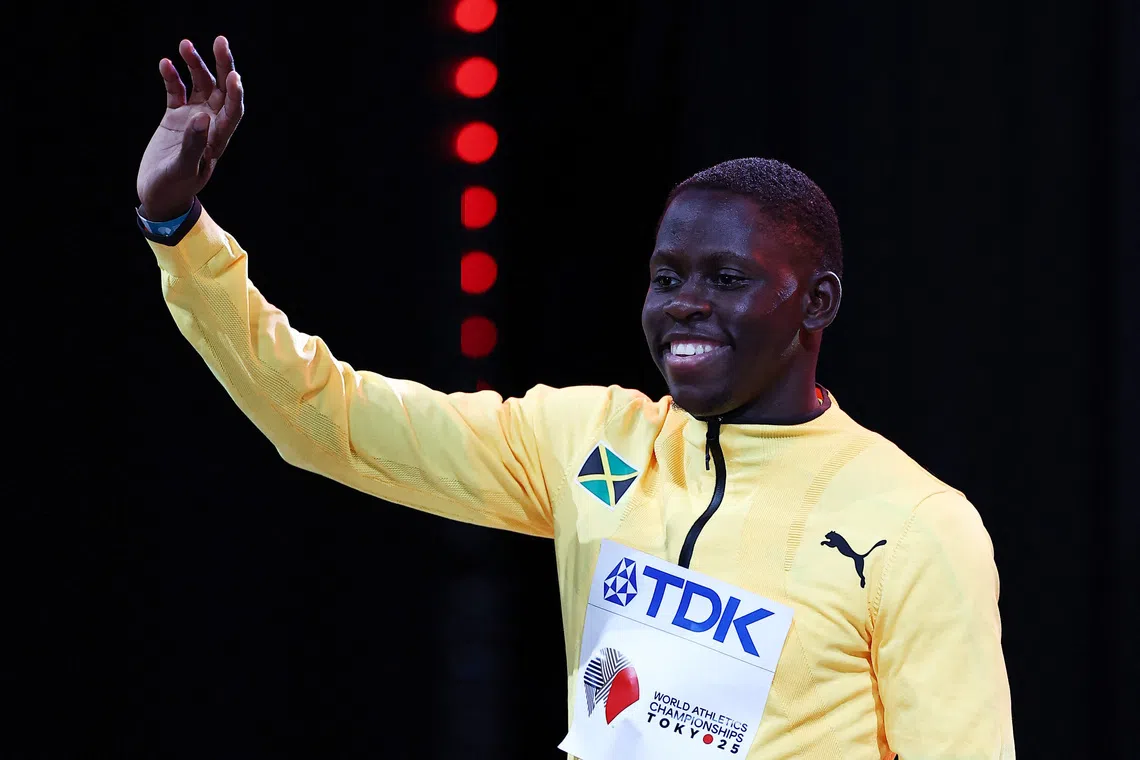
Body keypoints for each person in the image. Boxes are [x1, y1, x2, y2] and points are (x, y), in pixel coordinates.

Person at [136, 36, 1015, 759]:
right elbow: (327, 420)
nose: (685, 305)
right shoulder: (586, 439)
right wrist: (179, 229)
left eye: (727, 278)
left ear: (816, 302)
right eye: (666, 277)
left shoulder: (915, 524)